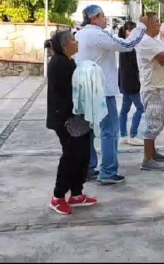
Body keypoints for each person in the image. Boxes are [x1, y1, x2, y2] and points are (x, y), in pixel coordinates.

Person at [75, 4, 146, 185]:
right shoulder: (97, 34)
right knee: (109, 131)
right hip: (102, 90)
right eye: (103, 16)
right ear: (94, 18)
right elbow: (127, 44)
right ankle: (108, 171)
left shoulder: (80, 34)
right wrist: (141, 27)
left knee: (87, 131)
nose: (105, 19)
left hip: (84, 88)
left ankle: (89, 167)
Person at [46, 30, 98, 215]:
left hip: (78, 117)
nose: (77, 43)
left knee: (82, 154)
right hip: (66, 119)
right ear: (65, 45)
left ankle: (77, 193)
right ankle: (58, 197)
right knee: (70, 156)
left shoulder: (69, 61)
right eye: (74, 40)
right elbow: (69, 93)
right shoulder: (60, 64)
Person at [135, 12, 164, 171]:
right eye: (157, 22)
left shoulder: (154, 41)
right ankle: (147, 158)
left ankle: (153, 152)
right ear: (148, 25)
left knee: (158, 121)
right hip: (153, 88)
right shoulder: (145, 41)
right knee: (153, 123)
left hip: (160, 86)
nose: (160, 25)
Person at [117, 21, 145, 146]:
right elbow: (135, 66)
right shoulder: (129, 47)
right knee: (140, 108)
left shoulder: (124, 46)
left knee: (124, 109)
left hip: (124, 82)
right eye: (130, 30)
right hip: (131, 83)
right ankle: (132, 135)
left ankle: (123, 135)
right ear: (126, 31)